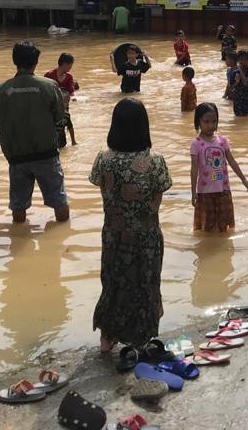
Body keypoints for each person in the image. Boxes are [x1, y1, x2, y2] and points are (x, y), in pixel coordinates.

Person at [90, 99, 172, 350]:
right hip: (145, 236)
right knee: (145, 284)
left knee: (113, 283)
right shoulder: (155, 161)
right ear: (143, 126)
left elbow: (103, 191)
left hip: (113, 234)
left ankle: (107, 340)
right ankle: (141, 342)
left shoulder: (103, 159)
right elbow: (155, 203)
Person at [0, 41, 69, 224]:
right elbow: (60, 118)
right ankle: (61, 243)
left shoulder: (3, 90)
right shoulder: (49, 86)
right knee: (59, 201)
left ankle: (18, 241)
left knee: (18, 206)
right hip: (46, 154)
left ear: (14, 62)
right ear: (36, 62)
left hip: (17, 156)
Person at [190, 102, 248, 232]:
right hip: (205, 191)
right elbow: (194, 169)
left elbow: (232, 161)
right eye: (206, 122)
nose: (211, 125)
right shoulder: (196, 144)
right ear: (198, 122)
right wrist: (193, 192)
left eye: (214, 121)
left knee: (224, 226)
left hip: (223, 189)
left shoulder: (222, 141)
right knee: (207, 227)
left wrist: (244, 180)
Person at [232, 49, 248, 117]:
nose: (243, 61)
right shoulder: (234, 73)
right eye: (241, 59)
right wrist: (236, 82)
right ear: (238, 60)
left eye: (246, 59)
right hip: (238, 103)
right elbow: (231, 87)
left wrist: (239, 70)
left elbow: (245, 83)